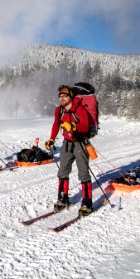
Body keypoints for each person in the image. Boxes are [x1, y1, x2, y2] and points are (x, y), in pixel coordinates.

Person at [45, 85, 93, 216]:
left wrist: (72, 126)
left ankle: (87, 202)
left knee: (83, 173)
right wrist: (51, 139)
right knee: (62, 171)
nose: (62, 98)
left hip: (80, 143)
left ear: (71, 97)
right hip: (67, 143)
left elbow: (85, 127)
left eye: (65, 96)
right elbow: (56, 124)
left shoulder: (79, 108)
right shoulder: (59, 110)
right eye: (60, 96)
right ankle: (63, 199)